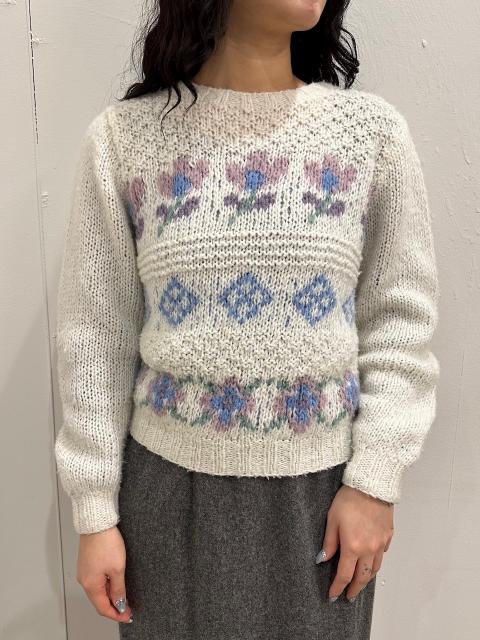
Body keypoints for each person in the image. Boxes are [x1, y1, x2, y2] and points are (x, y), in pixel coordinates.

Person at [53, 1, 440, 638]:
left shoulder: (371, 136)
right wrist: (94, 512)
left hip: (323, 504)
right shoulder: (124, 140)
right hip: (168, 497)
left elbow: (399, 323)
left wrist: (375, 484)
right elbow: (95, 337)